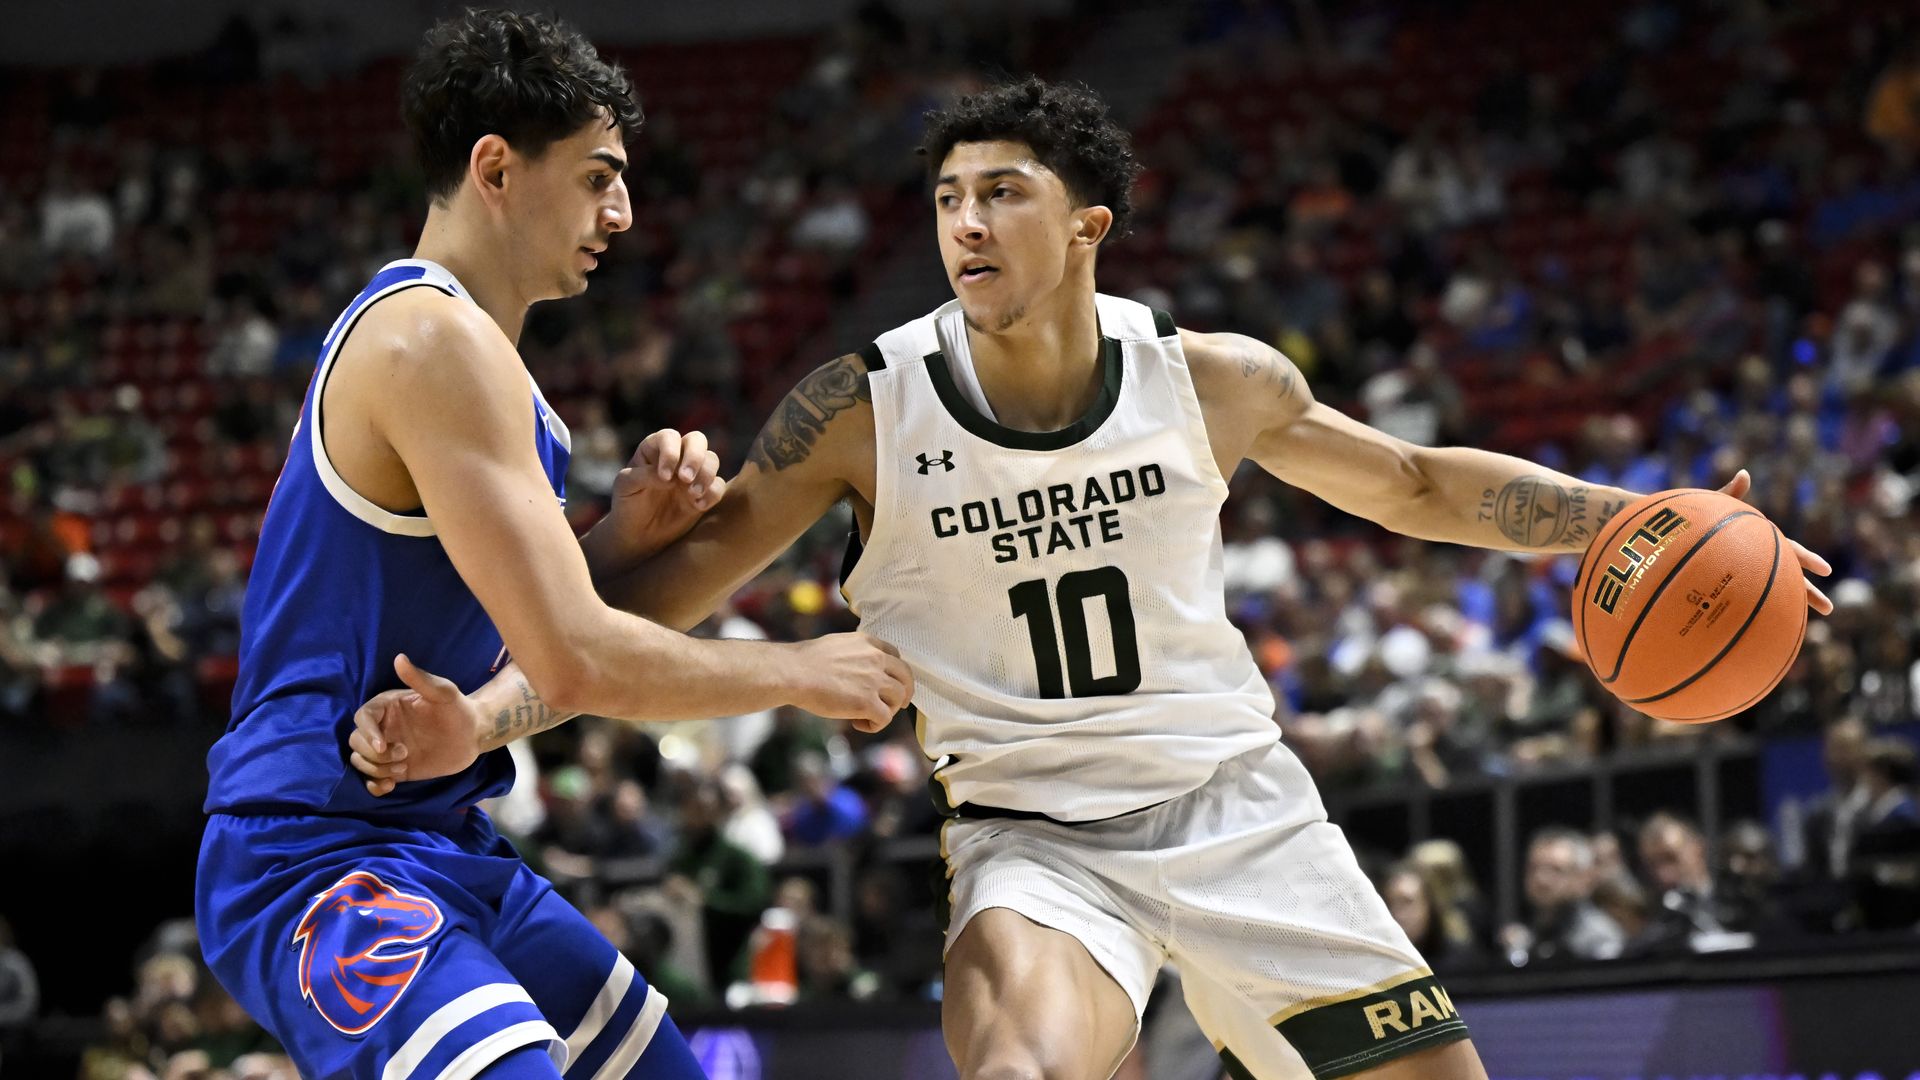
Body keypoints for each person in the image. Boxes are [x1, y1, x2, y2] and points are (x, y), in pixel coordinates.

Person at [351, 78, 1833, 1080]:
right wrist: (486, 719)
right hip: (1032, 841)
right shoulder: (863, 408)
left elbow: (1419, 486)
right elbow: (650, 616)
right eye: (946, 199)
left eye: (1004, 194)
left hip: (1245, 810)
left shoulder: (1212, 379)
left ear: (1087, 227)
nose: (966, 226)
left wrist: (1637, 513)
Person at [193, 11, 911, 1080]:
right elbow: (577, 658)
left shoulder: (505, 384)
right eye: (596, 176)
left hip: (442, 840)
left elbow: (543, 638)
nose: (621, 212)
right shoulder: (428, 340)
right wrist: (798, 671)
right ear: (496, 168)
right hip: (315, 848)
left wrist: (615, 546)